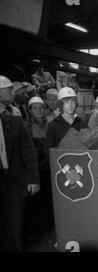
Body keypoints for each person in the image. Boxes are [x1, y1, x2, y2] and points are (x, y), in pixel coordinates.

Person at [0, 75, 40, 251]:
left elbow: (28, 151)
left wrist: (33, 178)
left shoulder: (15, 117)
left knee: (15, 227)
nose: (11, 91)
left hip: (14, 183)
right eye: (8, 89)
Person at [23, 96, 53, 241]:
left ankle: (49, 226)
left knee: (50, 199)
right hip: (37, 169)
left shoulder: (51, 124)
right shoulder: (26, 127)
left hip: (51, 168)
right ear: (30, 110)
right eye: (35, 108)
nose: (39, 110)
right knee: (36, 202)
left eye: (41, 107)